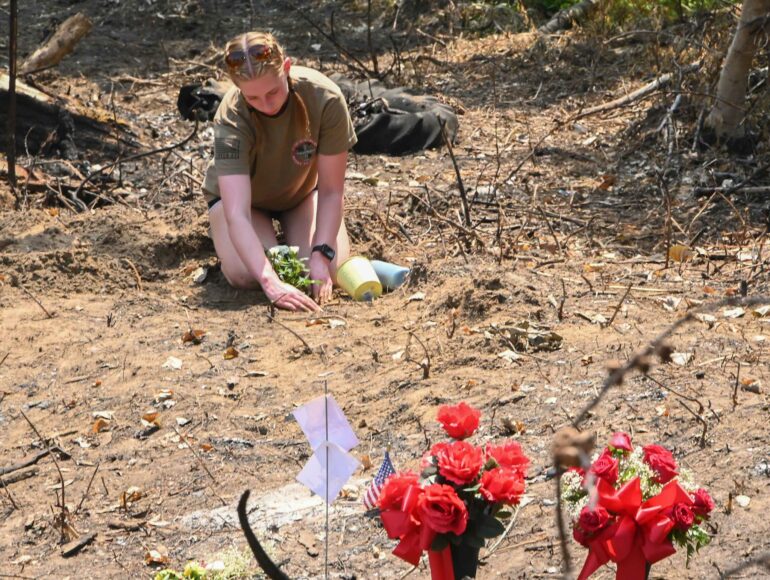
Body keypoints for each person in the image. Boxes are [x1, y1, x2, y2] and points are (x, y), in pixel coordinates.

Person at [202, 31, 357, 312]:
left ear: (286, 68)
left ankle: (291, 244)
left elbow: (332, 191)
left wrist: (321, 255)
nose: (267, 104)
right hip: (249, 206)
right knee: (245, 275)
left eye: (272, 92)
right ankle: (255, 247)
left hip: (301, 195)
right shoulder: (230, 118)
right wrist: (269, 282)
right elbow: (237, 213)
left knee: (330, 271)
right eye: (253, 97)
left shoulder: (325, 98)